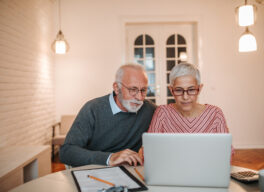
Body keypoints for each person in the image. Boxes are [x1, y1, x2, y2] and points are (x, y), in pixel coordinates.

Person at [60, 64, 156, 167]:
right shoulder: (93, 109)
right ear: (116, 88)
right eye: (133, 89)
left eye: (143, 90)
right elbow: (67, 152)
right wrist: (109, 158)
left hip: (131, 171)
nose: (139, 97)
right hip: (95, 170)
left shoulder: (149, 109)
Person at [148, 63, 230, 134]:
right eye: (179, 90)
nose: (185, 97)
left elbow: (227, 150)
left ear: (199, 89)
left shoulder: (215, 114)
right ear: (171, 90)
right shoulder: (162, 112)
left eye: (191, 90)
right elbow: (149, 148)